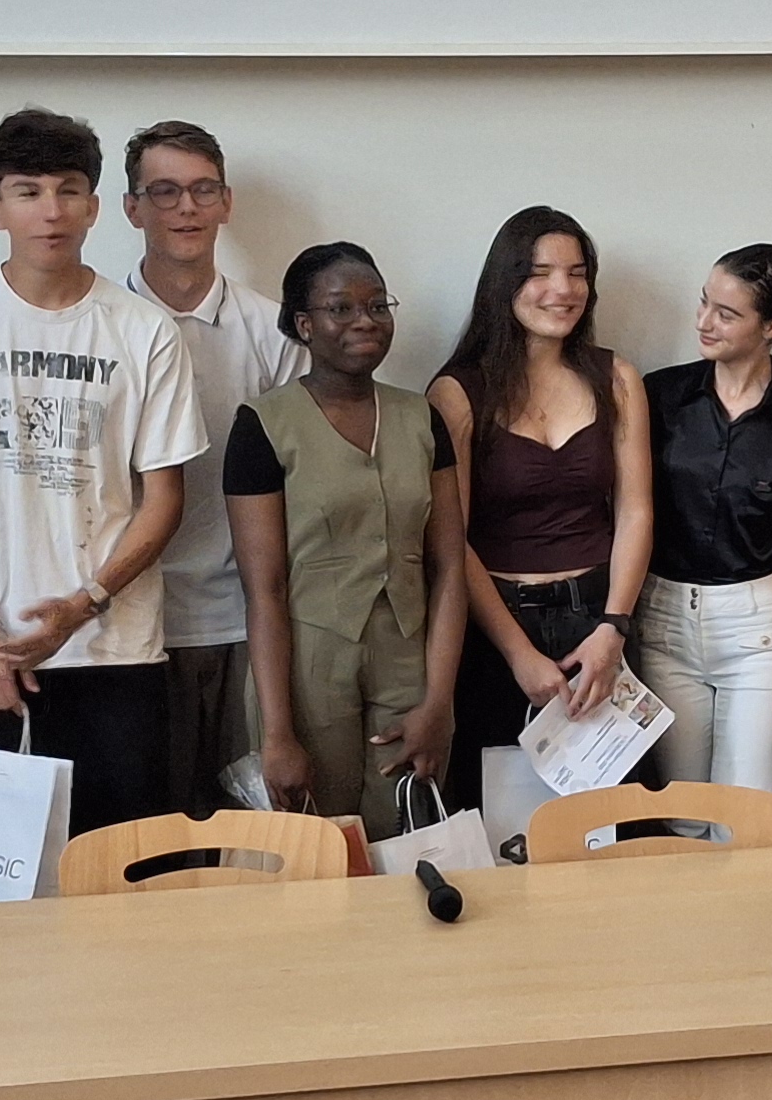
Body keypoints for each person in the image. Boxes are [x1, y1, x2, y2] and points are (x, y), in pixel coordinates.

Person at [0, 108, 205, 835]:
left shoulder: (143, 329)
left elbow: (164, 496)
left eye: (68, 190)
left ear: (96, 207)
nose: (51, 211)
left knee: (120, 886)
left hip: (117, 656)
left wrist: (83, 603)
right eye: (27, 191)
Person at [230, 244, 465, 822]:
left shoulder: (421, 418)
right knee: (315, 849)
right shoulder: (263, 425)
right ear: (305, 325)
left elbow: (451, 566)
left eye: (377, 305)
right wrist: (277, 734)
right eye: (342, 308)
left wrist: (439, 703)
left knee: (407, 842)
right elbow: (265, 590)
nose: (365, 320)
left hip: (410, 666)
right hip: (308, 669)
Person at [430, 205, 653, 802]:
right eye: (541, 272)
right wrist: (518, 653)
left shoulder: (617, 377)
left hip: (598, 620)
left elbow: (635, 512)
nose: (563, 289)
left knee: (612, 816)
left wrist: (613, 628)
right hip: (495, 629)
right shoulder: (457, 392)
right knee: (503, 821)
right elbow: (453, 540)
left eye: (578, 273)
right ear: (505, 282)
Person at [119, 121, 304, 812]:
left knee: (249, 835)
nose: (186, 209)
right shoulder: (99, 327)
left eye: (202, 191)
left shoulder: (274, 332)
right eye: (164, 193)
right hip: (132, 625)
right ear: (132, 208)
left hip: (244, 622)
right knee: (146, 833)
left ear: (226, 202)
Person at [637, 245, 772, 798]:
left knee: (746, 809)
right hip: (663, 619)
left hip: (755, 629)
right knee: (680, 806)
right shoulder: (659, 396)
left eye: (726, 314)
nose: (704, 322)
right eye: (704, 304)